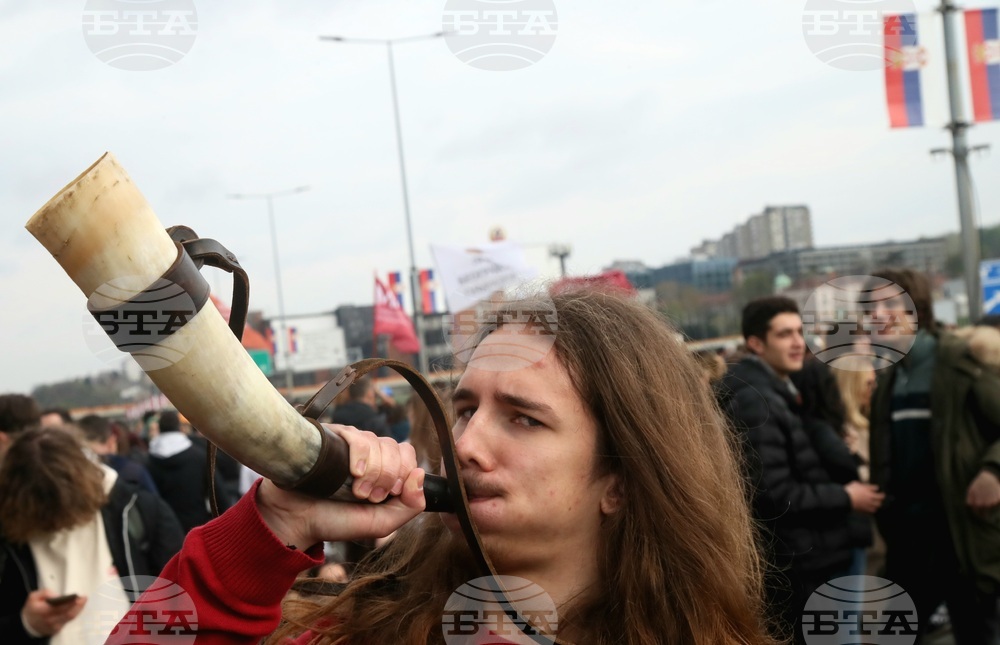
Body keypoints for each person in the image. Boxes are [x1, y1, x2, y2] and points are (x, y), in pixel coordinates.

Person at [110, 288, 779, 645]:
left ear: (623, 479)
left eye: (523, 416)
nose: (463, 444)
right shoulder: (347, 632)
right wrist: (268, 531)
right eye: (464, 408)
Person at [717, 296, 884, 643]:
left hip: (806, 556)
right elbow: (772, 492)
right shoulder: (755, 400)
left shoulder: (772, 391)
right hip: (800, 562)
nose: (797, 343)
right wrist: (845, 496)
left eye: (799, 332)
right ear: (755, 343)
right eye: (784, 334)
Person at [865, 268, 1000, 644]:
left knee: (978, 634)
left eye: (890, 304)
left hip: (961, 538)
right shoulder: (889, 378)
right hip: (908, 541)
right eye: (870, 308)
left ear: (917, 309)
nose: (877, 315)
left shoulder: (958, 360)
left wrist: (993, 472)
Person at [0, 425, 184, 644]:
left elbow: (181, 594)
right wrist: (26, 623)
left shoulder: (137, 509)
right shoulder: (11, 530)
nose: (54, 524)